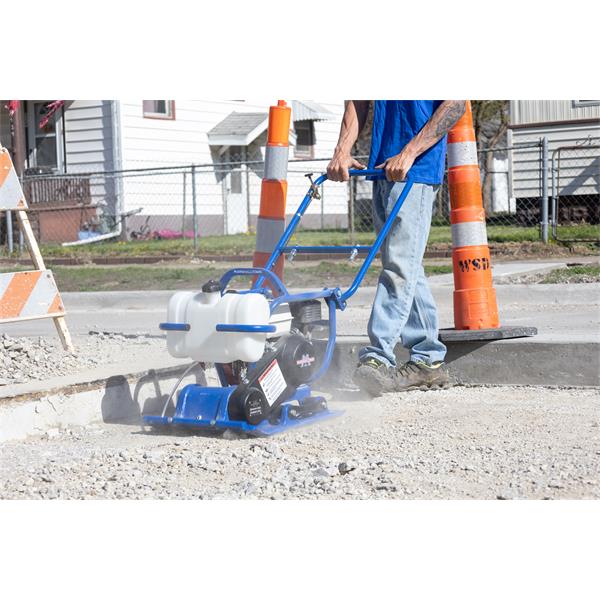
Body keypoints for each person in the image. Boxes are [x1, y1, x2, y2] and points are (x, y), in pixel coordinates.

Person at [327, 100, 466, 396]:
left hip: (414, 169)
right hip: (382, 167)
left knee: (399, 267)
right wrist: (342, 150)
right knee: (406, 264)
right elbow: (358, 100)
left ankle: (377, 357)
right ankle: (427, 360)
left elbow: (456, 104)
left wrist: (409, 152)